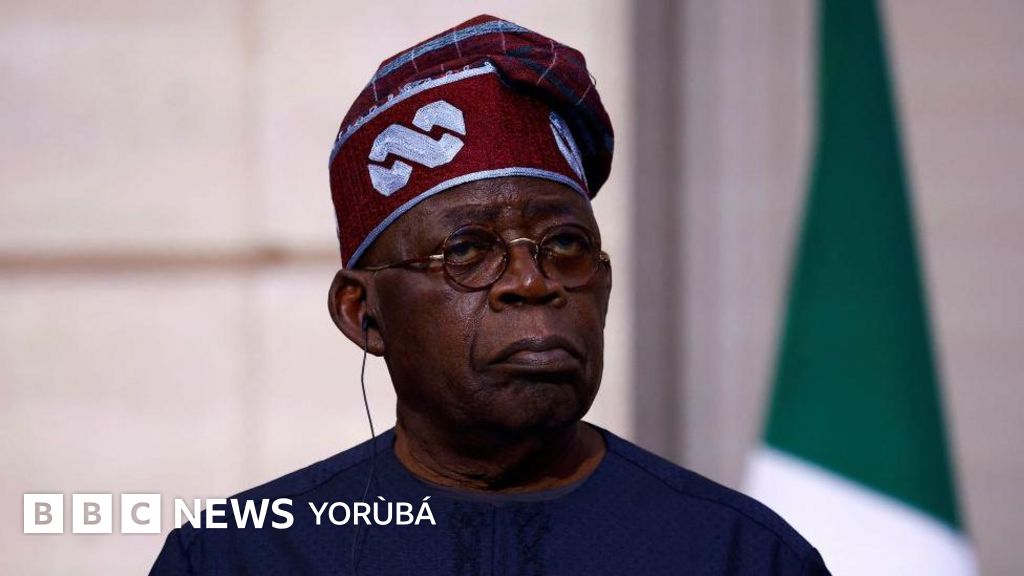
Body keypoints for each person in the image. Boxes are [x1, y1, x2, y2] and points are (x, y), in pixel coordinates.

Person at [150, 14, 829, 575]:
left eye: (565, 245)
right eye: (468, 251)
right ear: (363, 314)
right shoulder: (242, 557)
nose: (532, 282)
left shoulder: (739, 555)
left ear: (604, 282)